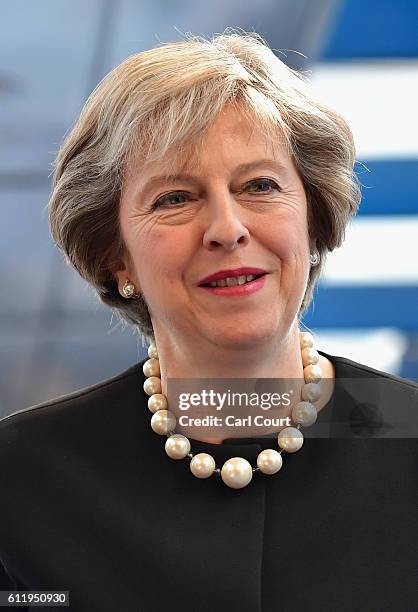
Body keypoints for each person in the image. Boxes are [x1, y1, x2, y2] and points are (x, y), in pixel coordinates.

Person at [1, 29, 417, 612]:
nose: (226, 227)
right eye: (174, 198)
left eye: (259, 185)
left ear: (314, 223)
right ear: (115, 255)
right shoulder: (22, 476)